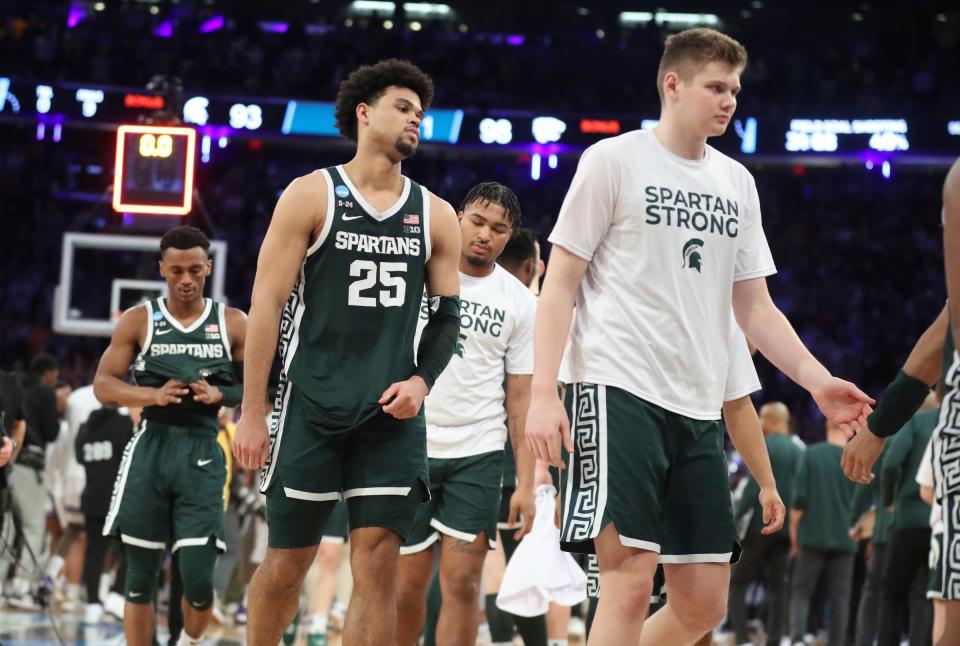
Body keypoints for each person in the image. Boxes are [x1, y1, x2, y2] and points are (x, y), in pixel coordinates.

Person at [524, 27, 872, 646]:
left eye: (735, 89)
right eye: (716, 86)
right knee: (628, 582)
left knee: (704, 604)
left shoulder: (737, 181)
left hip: (697, 406)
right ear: (673, 84)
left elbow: (757, 308)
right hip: (614, 389)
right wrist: (544, 394)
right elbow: (559, 285)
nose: (730, 100)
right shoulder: (613, 160)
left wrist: (818, 384)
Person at [232, 58, 461, 646]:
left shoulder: (435, 213)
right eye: (403, 108)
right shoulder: (311, 194)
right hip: (311, 407)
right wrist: (252, 411)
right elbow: (267, 307)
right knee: (288, 562)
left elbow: (448, 319)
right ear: (365, 113)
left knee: (378, 564)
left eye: (421, 113)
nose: (417, 121)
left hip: (390, 415)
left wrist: (422, 382)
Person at [395, 182, 536, 646]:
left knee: (462, 584)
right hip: (409, 445)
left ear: (508, 235)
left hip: (478, 452)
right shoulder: (415, 273)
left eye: (498, 228)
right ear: (458, 217)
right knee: (405, 587)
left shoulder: (520, 302)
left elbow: (520, 400)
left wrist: (528, 483)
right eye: (477, 221)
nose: (485, 234)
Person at [93, 225, 246, 646]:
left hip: (203, 449)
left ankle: (189, 642)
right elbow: (103, 384)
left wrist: (223, 394)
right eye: (176, 270)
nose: (186, 279)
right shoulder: (139, 319)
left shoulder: (232, 322)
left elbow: (257, 387)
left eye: (195, 270)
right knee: (139, 579)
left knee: (198, 581)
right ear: (162, 269)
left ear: (208, 268)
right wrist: (151, 395)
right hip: (151, 448)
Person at [729, 402, 804, 646]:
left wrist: (736, 517)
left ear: (771, 420)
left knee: (738, 581)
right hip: (786, 528)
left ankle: (741, 638)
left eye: (761, 418)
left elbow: (753, 488)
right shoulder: (800, 449)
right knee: (778, 586)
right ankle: (775, 639)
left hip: (759, 525)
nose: (758, 423)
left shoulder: (764, 445)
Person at [788, 422, 860, 646]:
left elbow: (799, 499)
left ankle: (798, 640)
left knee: (801, 591)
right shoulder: (857, 459)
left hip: (812, 534)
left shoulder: (811, 454)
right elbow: (863, 503)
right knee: (840, 597)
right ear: (849, 431)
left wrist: (793, 532)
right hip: (845, 537)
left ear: (827, 425)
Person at [877, 393, 938, 645]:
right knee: (933, 596)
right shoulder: (949, 422)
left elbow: (891, 464)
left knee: (892, 593)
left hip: (908, 521)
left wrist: (889, 499)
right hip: (941, 521)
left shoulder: (914, 423)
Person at [3, 353, 61, 608]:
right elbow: (52, 431)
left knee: (7, 527)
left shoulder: (13, 384)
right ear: (49, 373)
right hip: (28, 462)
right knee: (33, 526)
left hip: (8, 463)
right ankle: (21, 586)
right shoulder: (44, 391)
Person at [75, 405, 136, 623]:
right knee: (131, 550)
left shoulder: (85, 428)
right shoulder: (123, 424)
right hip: (117, 499)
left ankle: (92, 604)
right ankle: (116, 595)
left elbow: (79, 458)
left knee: (94, 553)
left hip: (91, 497)